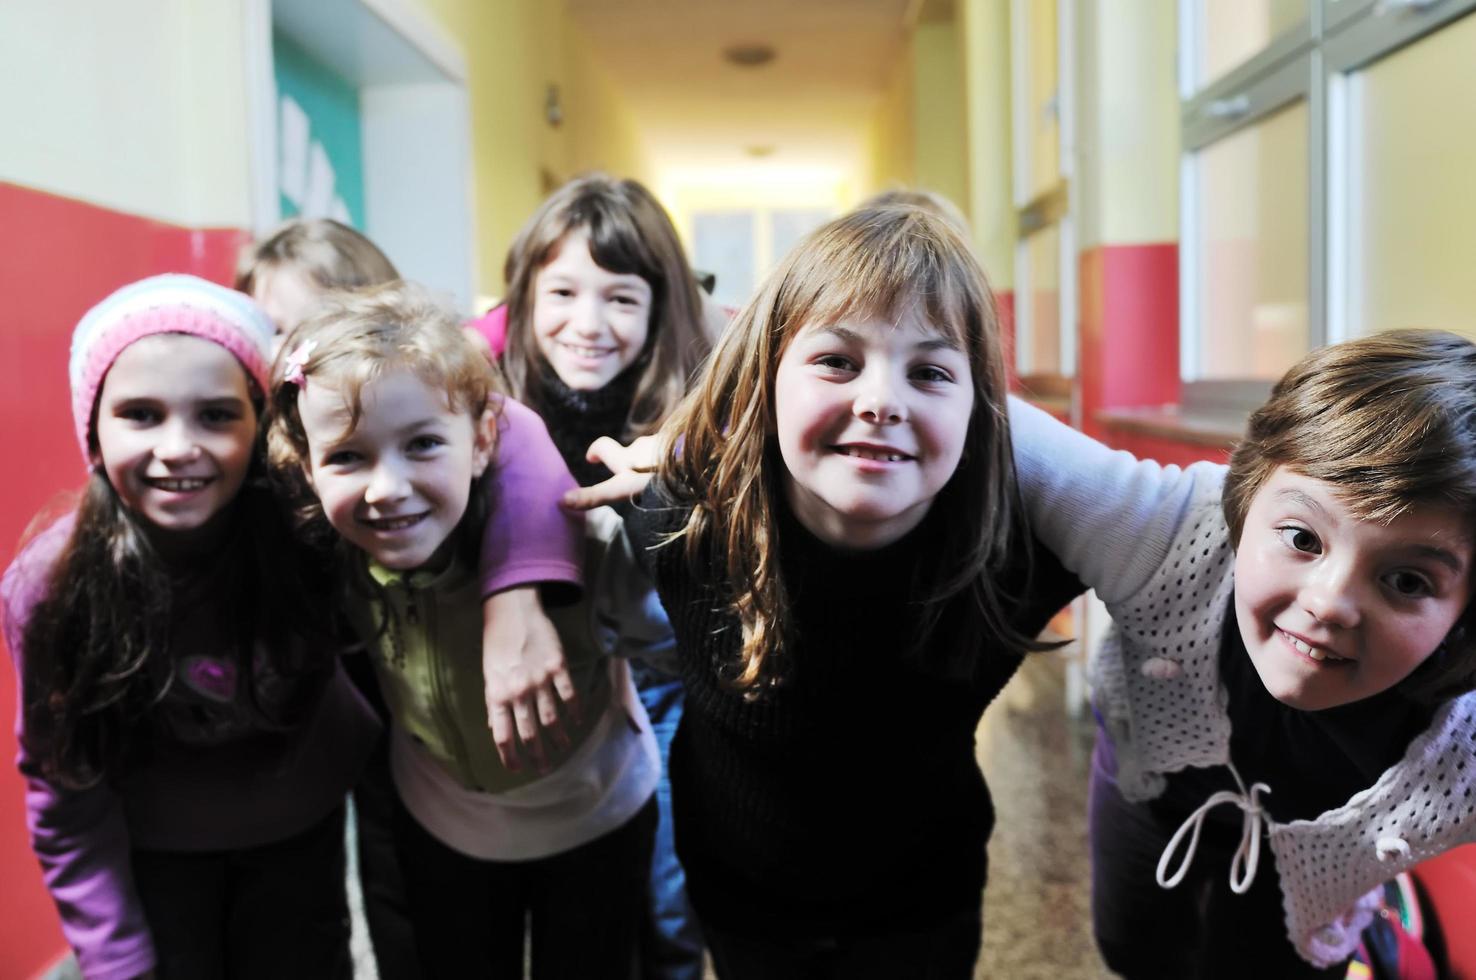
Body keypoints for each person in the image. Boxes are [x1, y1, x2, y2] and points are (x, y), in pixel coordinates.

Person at [618, 203, 1081, 978]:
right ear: (765, 381)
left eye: (930, 372)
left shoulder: (1013, 557)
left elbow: (1193, 532)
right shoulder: (677, 521)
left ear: (981, 408)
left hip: (923, 904)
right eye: (838, 361)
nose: (881, 401)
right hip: (739, 898)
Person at [1006, 330, 1476, 976]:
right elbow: (982, 418)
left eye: (1407, 581)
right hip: (1152, 778)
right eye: (1301, 538)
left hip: (1324, 859)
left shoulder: (1463, 741)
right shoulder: (1173, 532)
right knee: (1132, 942)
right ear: (1245, 499)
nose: (1329, 602)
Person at [265, 282, 669, 979]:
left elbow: (684, 644)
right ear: (306, 467)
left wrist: (669, 518)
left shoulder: (581, 540)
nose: (387, 488)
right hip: (444, 827)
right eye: (347, 458)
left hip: (594, 817)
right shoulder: (338, 560)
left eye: (422, 444)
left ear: (483, 442)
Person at [4, 274, 380, 979]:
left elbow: (477, 427)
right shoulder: (49, 588)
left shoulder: (312, 529)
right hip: (157, 858)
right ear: (93, 430)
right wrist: (114, 957)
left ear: (259, 424)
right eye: (141, 415)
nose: (178, 448)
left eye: (215, 415)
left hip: (300, 841)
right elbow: (65, 790)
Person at [494, 172, 712, 978]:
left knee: (663, 905)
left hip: (666, 686)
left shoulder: (700, 410)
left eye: (621, 297)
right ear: (522, 297)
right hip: (560, 677)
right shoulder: (487, 401)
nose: (587, 324)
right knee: (577, 910)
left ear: (660, 308)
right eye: (563, 291)